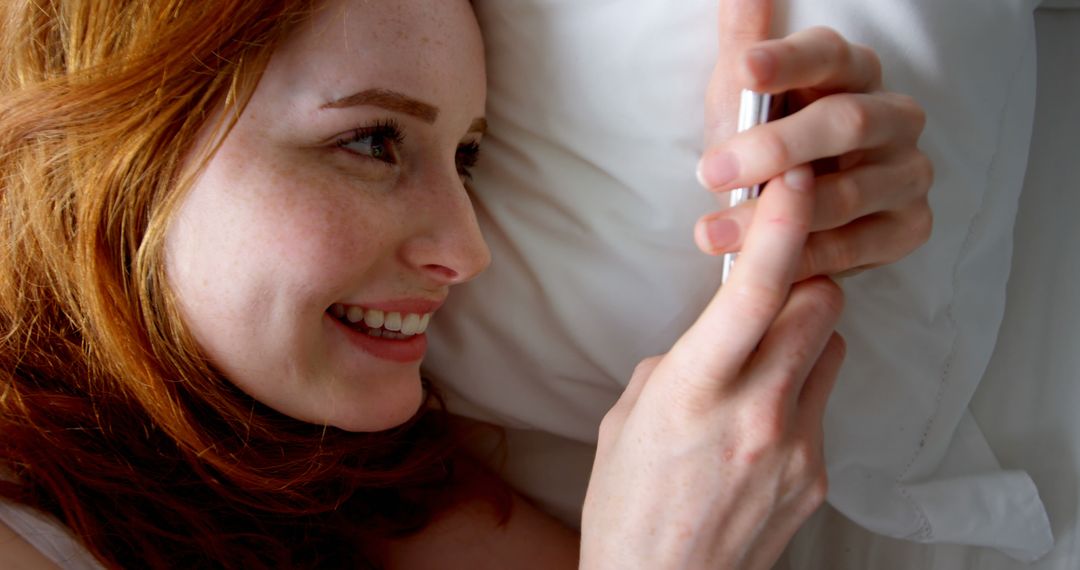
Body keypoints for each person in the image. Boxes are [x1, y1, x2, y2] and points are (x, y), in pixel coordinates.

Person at [0, 0, 930, 568]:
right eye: (371, 142)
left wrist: (767, 192)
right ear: (110, 153)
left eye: (469, 157)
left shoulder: (342, 485)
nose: (467, 249)